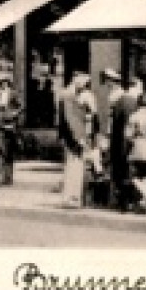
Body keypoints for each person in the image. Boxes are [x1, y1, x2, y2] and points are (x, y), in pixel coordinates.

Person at [103, 71, 139, 210]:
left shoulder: (119, 97)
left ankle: (123, 198)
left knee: (120, 166)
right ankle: (123, 198)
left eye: (110, 81)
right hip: (120, 134)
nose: (108, 83)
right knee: (120, 166)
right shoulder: (123, 97)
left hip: (118, 135)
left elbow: (113, 118)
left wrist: (108, 134)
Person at [58, 72, 95, 208]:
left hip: (73, 136)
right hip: (74, 137)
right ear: (76, 80)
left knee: (74, 166)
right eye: (84, 82)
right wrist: (78, 137)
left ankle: (71, 197)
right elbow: (70, 119)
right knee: (75, 166)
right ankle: (71, 197)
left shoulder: (68, 95)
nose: (84, 86)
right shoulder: (69, 95)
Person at [0, 74, 23, 185]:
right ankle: (0, 176)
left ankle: (8, 177)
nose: (3, 84)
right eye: (1, 82)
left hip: (9, 126)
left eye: (5, 82)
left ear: (8, 83)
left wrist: (13, 114)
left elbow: (21, 106)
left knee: (8, 152)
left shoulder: (13, 94)